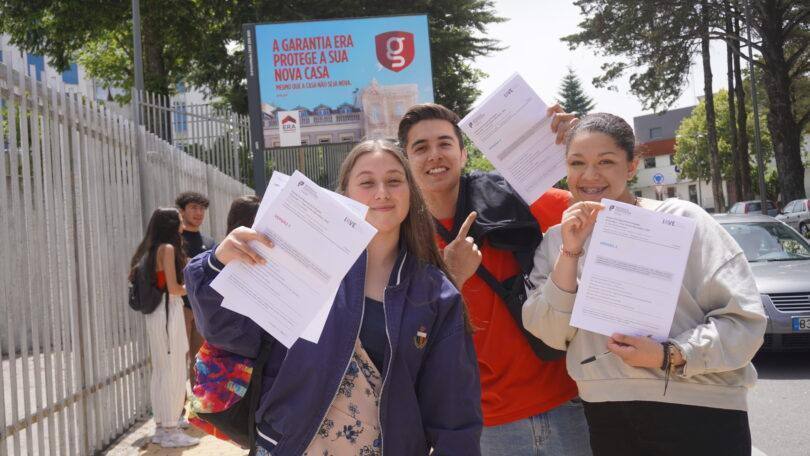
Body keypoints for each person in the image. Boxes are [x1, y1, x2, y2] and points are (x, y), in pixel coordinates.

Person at [185, 140, 482, 455]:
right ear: (345, 195)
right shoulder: (298, 260)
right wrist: (216, 264)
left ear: (410, 192)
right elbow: (229, 335)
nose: (382, 192)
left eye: (394, 180)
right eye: (367, 182)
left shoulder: (434, 293)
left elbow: (455, 410)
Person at [522, 113, 766, 455]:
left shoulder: (682, 220)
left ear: (632, 165)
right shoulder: (556, 241)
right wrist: (571, 250)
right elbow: (550, 332)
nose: (589, 175)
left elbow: (745, 323)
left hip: (703, 412)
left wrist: (671, 354)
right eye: (577, 162)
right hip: (606, 416)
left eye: (605, 161)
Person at [397, 103, 591, 455]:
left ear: (463, 153)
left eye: (444, 143)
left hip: (562, 403)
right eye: (420, 148)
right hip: (482, 425)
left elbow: (600, 208)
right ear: (406, 161)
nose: (434, 155)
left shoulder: (513, 200)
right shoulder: (402, 236)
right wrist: (450, 278)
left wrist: (582, 147)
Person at [128, 208, 200, 448]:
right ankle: (171, 429)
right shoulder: (167, 250)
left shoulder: (149, 250)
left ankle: (162, 427)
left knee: (161, 370)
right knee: (174, 368)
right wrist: (193, 285)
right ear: (171, 225)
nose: (183, 222)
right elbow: (173, 288)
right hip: (169, 310)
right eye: (179, 219)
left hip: (157, 314)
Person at [175, 191, 214, 381]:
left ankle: (197, 408)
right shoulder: (174, 241)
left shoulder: (209, 243)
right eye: (193, 208)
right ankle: (179, 405)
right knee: (177, 358)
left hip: (202, 309)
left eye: (201, 209)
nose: (198, 213)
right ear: (181, 211)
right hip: (179, 307)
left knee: (200, 360)